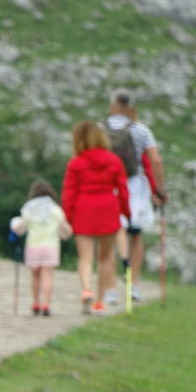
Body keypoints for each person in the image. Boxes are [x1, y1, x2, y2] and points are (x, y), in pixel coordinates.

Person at [101, 90, 165, 304]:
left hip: (108, 187)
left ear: (112, 106)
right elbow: (155, 160)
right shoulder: (141, 130)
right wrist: (159, 190)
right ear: (132, 108)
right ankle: (133, 285)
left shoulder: (100, 129)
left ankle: (110, 289)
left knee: (109, 239)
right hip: (136, 189)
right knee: (135, 236)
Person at [61, 121, 130, 316]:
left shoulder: (76, 163)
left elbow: (69, 193)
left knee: (85, 258)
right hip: (108, 208)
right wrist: (126, 212)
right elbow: (123, 190)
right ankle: (99, 302)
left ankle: (86, 290)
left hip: (84, 209)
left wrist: (67, 216)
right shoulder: (114, 160)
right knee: (105, 257)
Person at [10, 179, 72, 317]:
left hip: (33, 246)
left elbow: (20, 227)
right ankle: (46, 305)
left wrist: (14, 227)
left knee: (35, 276)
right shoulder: (56, 210)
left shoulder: (29, 209)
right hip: (51, 247)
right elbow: (66, 230)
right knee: (47, 276)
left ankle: (35, 302)